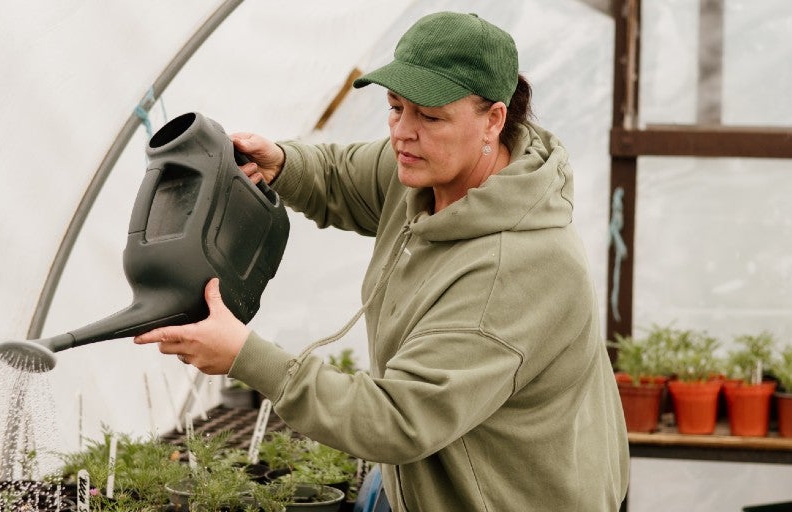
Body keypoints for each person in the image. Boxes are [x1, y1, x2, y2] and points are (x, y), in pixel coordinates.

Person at [135, 11, 629, 510]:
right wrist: (282, 161)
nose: (402, 134)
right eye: (395, 108)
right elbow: (341, 176)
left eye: (430, 116)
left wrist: (248, 357)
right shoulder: (428, 169)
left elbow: (398, 419)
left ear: (494, 119)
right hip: (425, 479)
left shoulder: (517, 268)